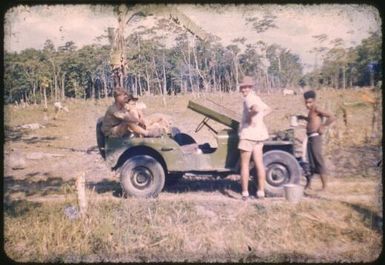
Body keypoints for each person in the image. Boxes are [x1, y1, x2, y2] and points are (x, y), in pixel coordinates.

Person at [238, 76, 272, 200]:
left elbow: (255, 108)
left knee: (245, 165)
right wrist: (260, 117)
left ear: (250, 87)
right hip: (259, 135)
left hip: (248, 136)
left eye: (245, 87)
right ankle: (261, 192)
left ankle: (245, 192)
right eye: (242, 87)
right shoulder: (257, 98)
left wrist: (250, 118)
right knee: (259, 164)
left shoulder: (248, 99)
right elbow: (268, 109)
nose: (243, 90)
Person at [297, 90, 336, 190]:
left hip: (315, 137)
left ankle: (325, 186)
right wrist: (303, 118)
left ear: (314, 101)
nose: (308, 105)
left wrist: (323, 126)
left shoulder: (317, 108)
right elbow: (312, 120)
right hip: (309, 137)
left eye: (310, 102)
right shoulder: (311, 111)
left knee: (318, 160)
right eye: (306, 102)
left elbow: (332, 116)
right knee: (309, 162)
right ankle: (308, 184)